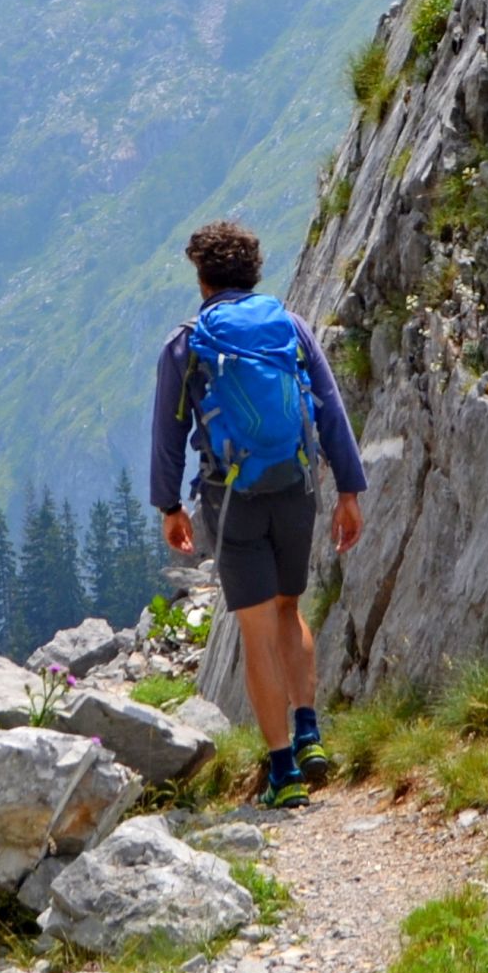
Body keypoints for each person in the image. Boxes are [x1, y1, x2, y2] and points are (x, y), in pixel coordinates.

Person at [149, 219, 365, 809]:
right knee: (290, 608)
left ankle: (283, 771)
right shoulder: (290, 328)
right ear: (254, 273)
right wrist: (349, 489)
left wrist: (169, 505)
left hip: (233, 498)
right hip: (297, 490)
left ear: (202, 279)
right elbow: (329, 408)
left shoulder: (187, 342)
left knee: (255, 628)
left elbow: (169, 433)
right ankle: (310, 733)